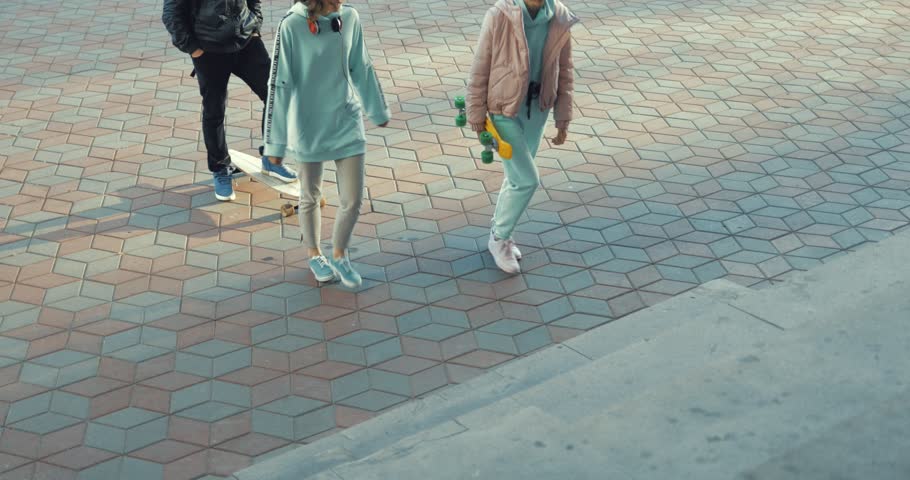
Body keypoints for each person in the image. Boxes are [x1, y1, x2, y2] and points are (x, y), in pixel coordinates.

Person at [263, 0, 390, 288]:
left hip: (346, 120)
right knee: (310, 195)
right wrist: (275, 144)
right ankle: (314, 254)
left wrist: (377, 110)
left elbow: (361, 66)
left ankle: (339, 253)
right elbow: (279, 85)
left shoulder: (350, 17)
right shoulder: (291, 25)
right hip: (308, 124)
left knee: (353, 199)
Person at [466, 0, 579, 274]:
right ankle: (499, 238)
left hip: (538, 109)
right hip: (503, 109)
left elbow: (565, 70)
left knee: (515, 177)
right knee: (527, 179)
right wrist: (476, 114)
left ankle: (502, 232)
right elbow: (480, 66)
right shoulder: (499, 14)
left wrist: (562, 117)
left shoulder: (559, 16)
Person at [162, 0, 298, 202]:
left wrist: (254, 26)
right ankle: (220, 168)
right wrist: (193, 48)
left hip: (246, 41)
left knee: (276, 95)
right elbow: (171, 13)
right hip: (208, 49)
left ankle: (271, 159)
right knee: (214, 111)